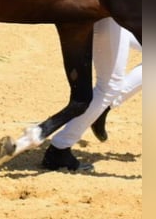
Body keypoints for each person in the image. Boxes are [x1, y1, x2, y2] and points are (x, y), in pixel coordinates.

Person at [42, 17, 142, 171]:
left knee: (109, 87)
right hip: (111, 13)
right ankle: (60, 146)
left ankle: (100, 110)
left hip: (114, 15)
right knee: (109, 87)